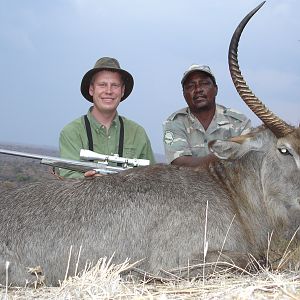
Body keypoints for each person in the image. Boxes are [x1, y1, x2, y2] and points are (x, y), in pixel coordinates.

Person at [59, 57, 155, 178]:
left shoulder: (138, 133)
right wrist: (86, 180)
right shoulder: (71, 132)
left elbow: (152, 178)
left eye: (115, 85)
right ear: (91, 89)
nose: (109, 91)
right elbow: (67, 176)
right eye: (102, 85)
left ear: (122, 91)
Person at [163, 64, 251, 167]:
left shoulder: (239, 121)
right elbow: (180, 163)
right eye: (190, 86)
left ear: (215, 89)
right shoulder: (175, 123)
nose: (198, 89)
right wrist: (224, 155)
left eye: (204, 84)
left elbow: (249, 160)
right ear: (184, 94)